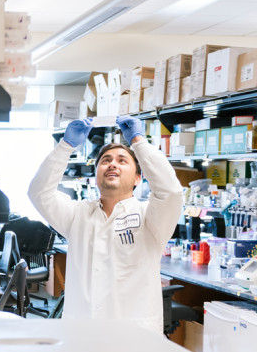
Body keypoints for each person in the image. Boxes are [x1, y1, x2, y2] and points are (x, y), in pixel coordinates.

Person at [28, 115, 183, 334]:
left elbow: (171, 192)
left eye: (122, 160)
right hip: (82, 334)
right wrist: (65, 147)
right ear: (95, 175)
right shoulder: (77, 215)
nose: (112, 164)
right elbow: (39, 193)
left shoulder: (150, 217)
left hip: (133, 337)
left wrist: (138, 142)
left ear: (138, 178)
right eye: (106, 160)